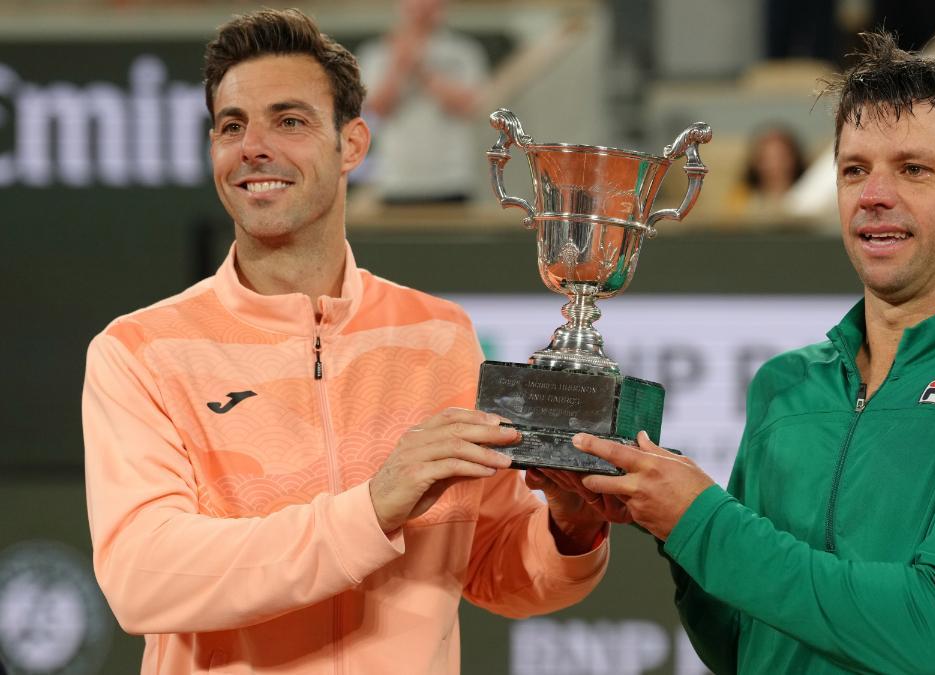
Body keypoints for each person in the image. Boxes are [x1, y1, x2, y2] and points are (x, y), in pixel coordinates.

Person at [563, 31, 935, 673]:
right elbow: (745, 648)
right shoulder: (786, 385)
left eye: (913, 169)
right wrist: (668, 527)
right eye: (855, 169)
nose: (873, 194)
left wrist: (702, 521)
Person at [81, 9, 609, 674]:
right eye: (231, 125)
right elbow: (144, 577)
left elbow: (494, 564)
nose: (253, 146)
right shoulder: (138, 351)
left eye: (289, 120)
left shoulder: (440, 336)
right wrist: (370, 509)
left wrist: (570, 525)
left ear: (352, 144)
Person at [356, 0, 488, 204]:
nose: (422, 7)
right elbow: (376, 110)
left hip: (452, 178)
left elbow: (468, 106)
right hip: (397, 180)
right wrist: (398, 67)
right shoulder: (377, 53)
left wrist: (421, 69)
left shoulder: (464, 52)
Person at [723, 124, 808, 218]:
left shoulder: (810, 196)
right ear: (755, 162)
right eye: (766, 158)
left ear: (794, 159)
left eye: (780, 157)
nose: (774, 165)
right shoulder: (741, 198)